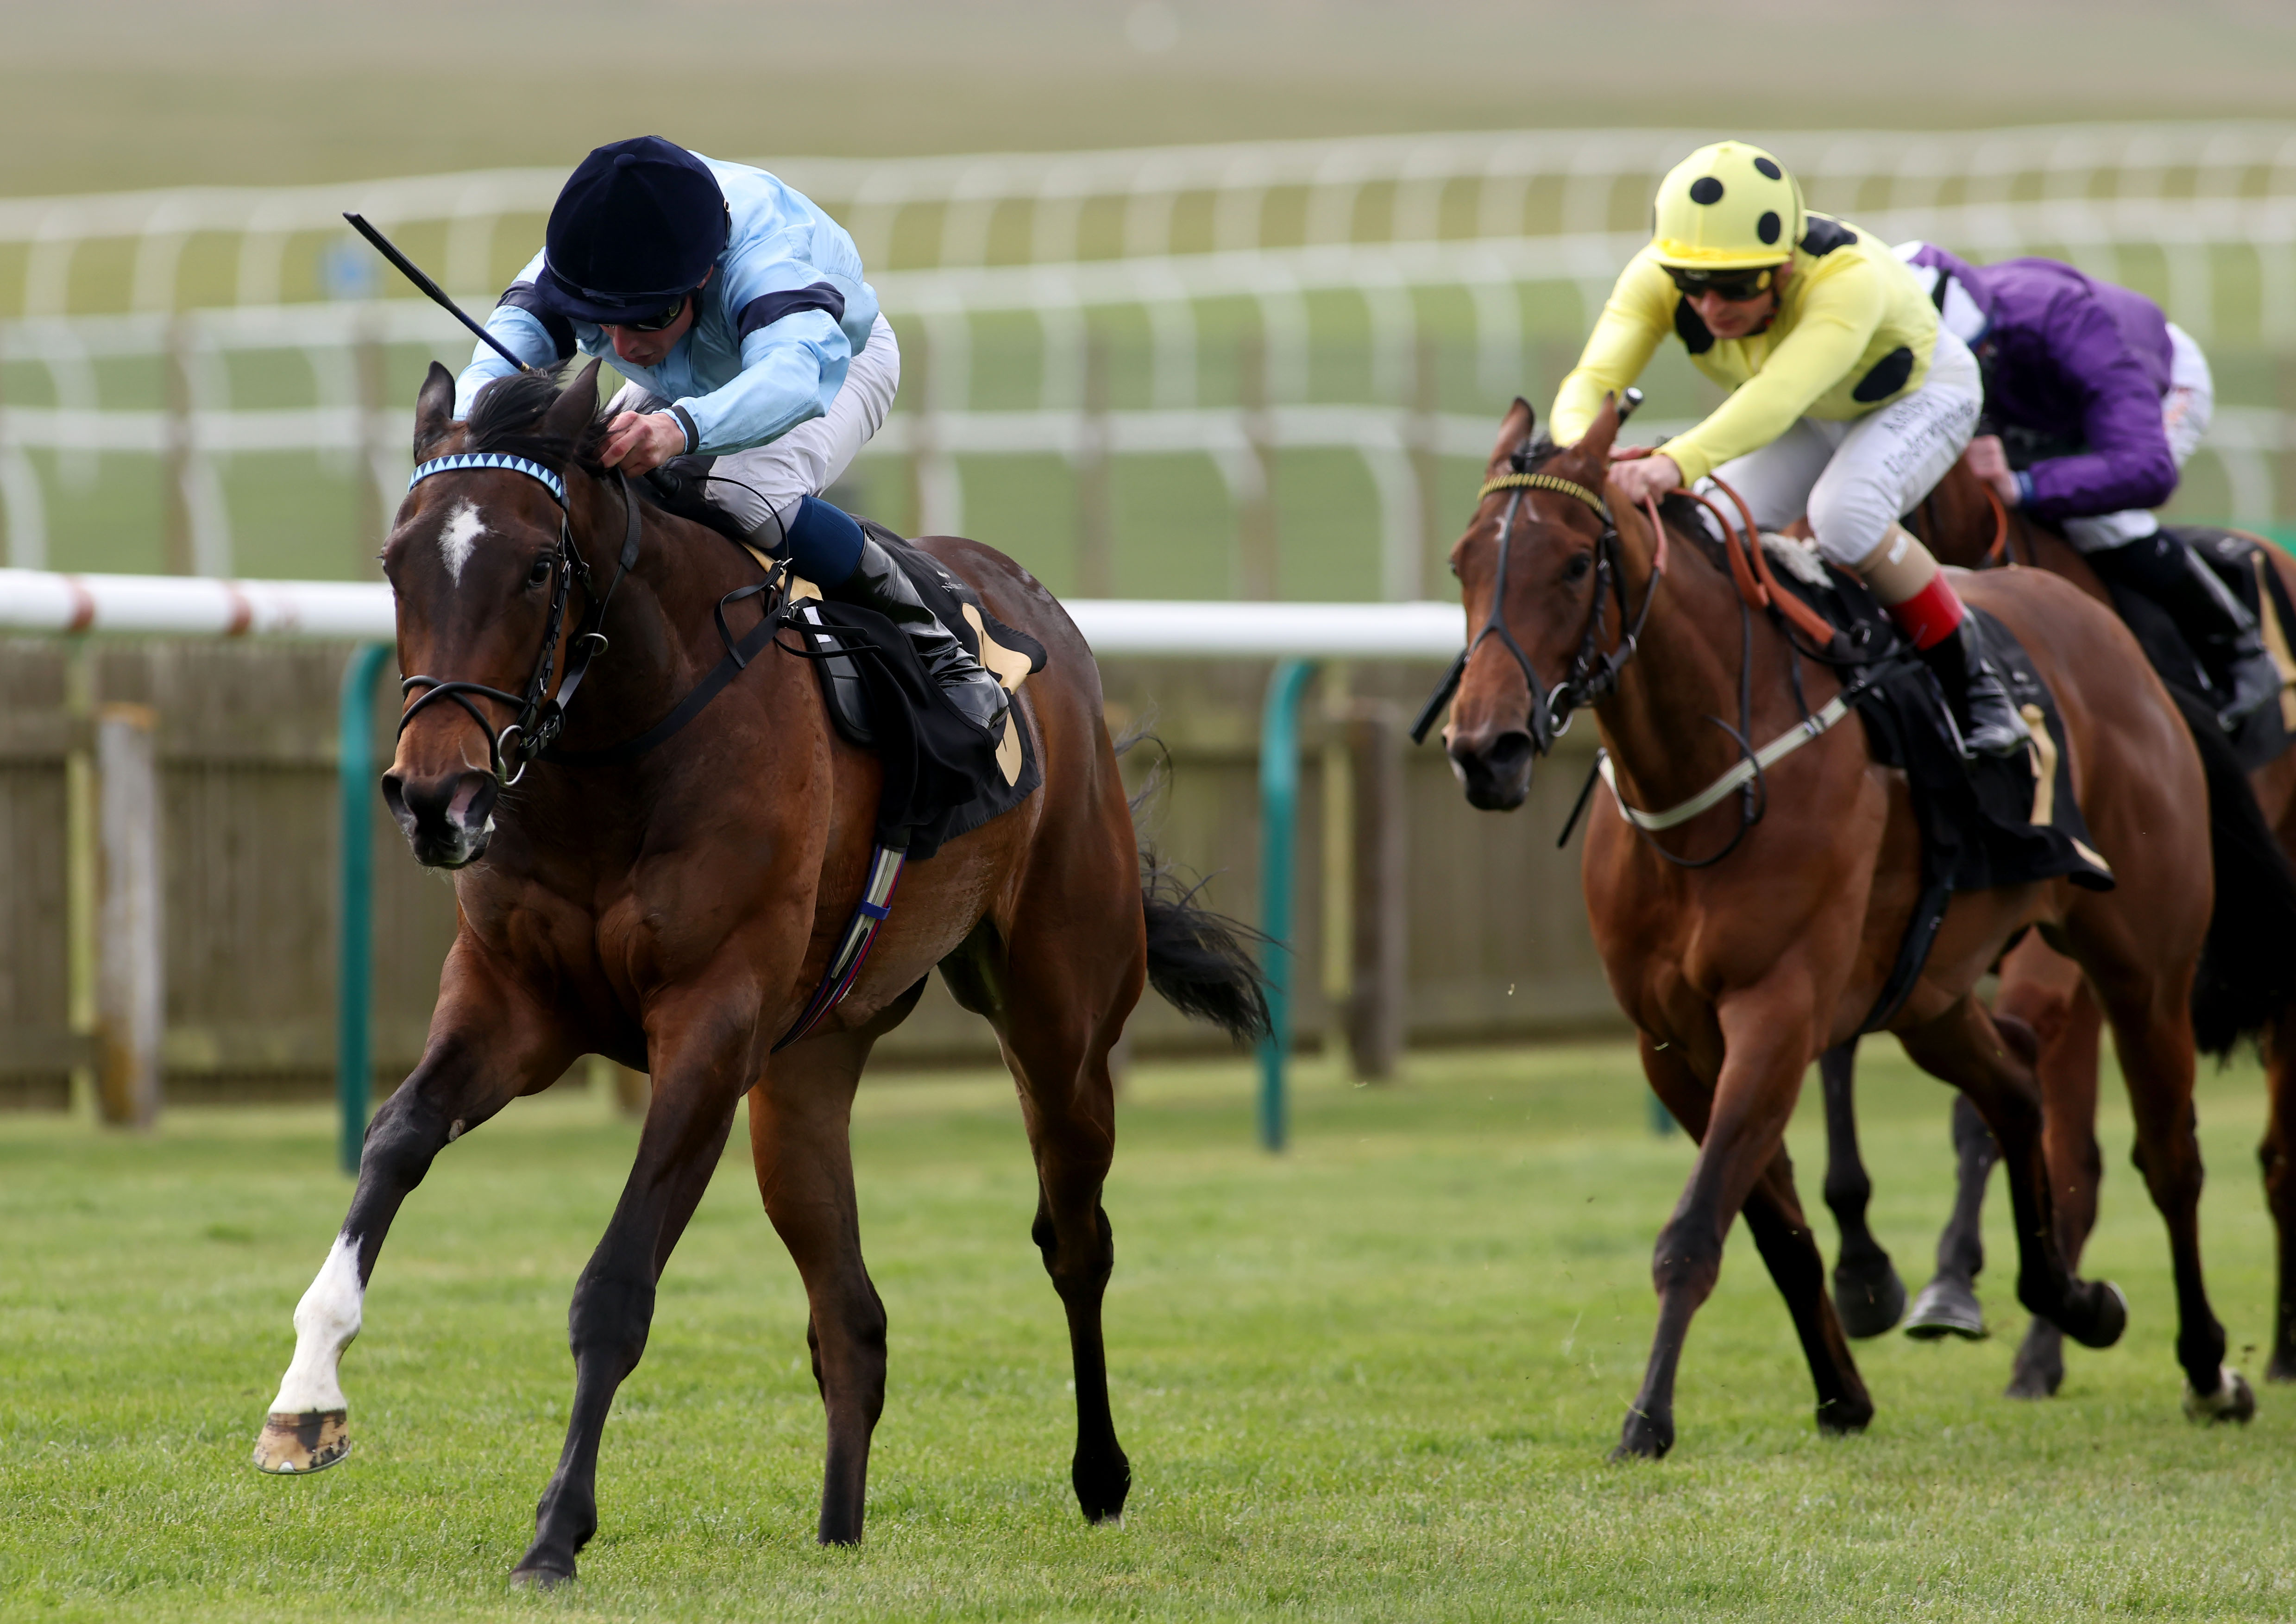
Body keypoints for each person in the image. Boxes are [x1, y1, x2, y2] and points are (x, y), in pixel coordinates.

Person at [452, 136, 1008, 734]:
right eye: (603, 318)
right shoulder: (590, 251)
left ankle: (935, 638)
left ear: (707, 274)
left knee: (743, 493)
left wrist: (677, 427)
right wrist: (465, 433)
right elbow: (490, 369)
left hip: (831, 359)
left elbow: (791, 379)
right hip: (691, 372)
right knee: (599, 484)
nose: (622, 346)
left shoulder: (765, 253)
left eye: (649, 315)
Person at [1553, 141, 2026, 757]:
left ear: (1782, 269)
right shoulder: (1658, 274)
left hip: (1921, 394)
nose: (1710, 307)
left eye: (1732, 287)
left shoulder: (1845, 278)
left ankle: (1978, 689)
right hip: (1818, 406)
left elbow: (1777, 396)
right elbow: (1592, 382)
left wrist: (1672, 463)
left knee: (1844, 517)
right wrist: (1579, 455)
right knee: (1710, 527)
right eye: (1691, 286)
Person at [1895, 241, 2279, 731]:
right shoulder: (1961, 324)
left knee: (2100, 517)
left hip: (2153, 383)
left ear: (1983, 342)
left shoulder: (2067, 324)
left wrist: (2024, 485)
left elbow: (2146, 469)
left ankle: (2240, 649)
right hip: (2039, 402)